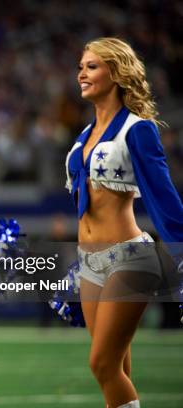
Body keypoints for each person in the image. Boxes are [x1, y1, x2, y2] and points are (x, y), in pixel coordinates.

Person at [66, 38, 183, 408]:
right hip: (89, 263)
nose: (81, 73)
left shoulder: (137, 129)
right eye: (81, 66)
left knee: (101, 364)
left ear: (116, 73)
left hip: (129, 258)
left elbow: (163, 196)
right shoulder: (84, 136)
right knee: (115, 369)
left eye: (92, 66)